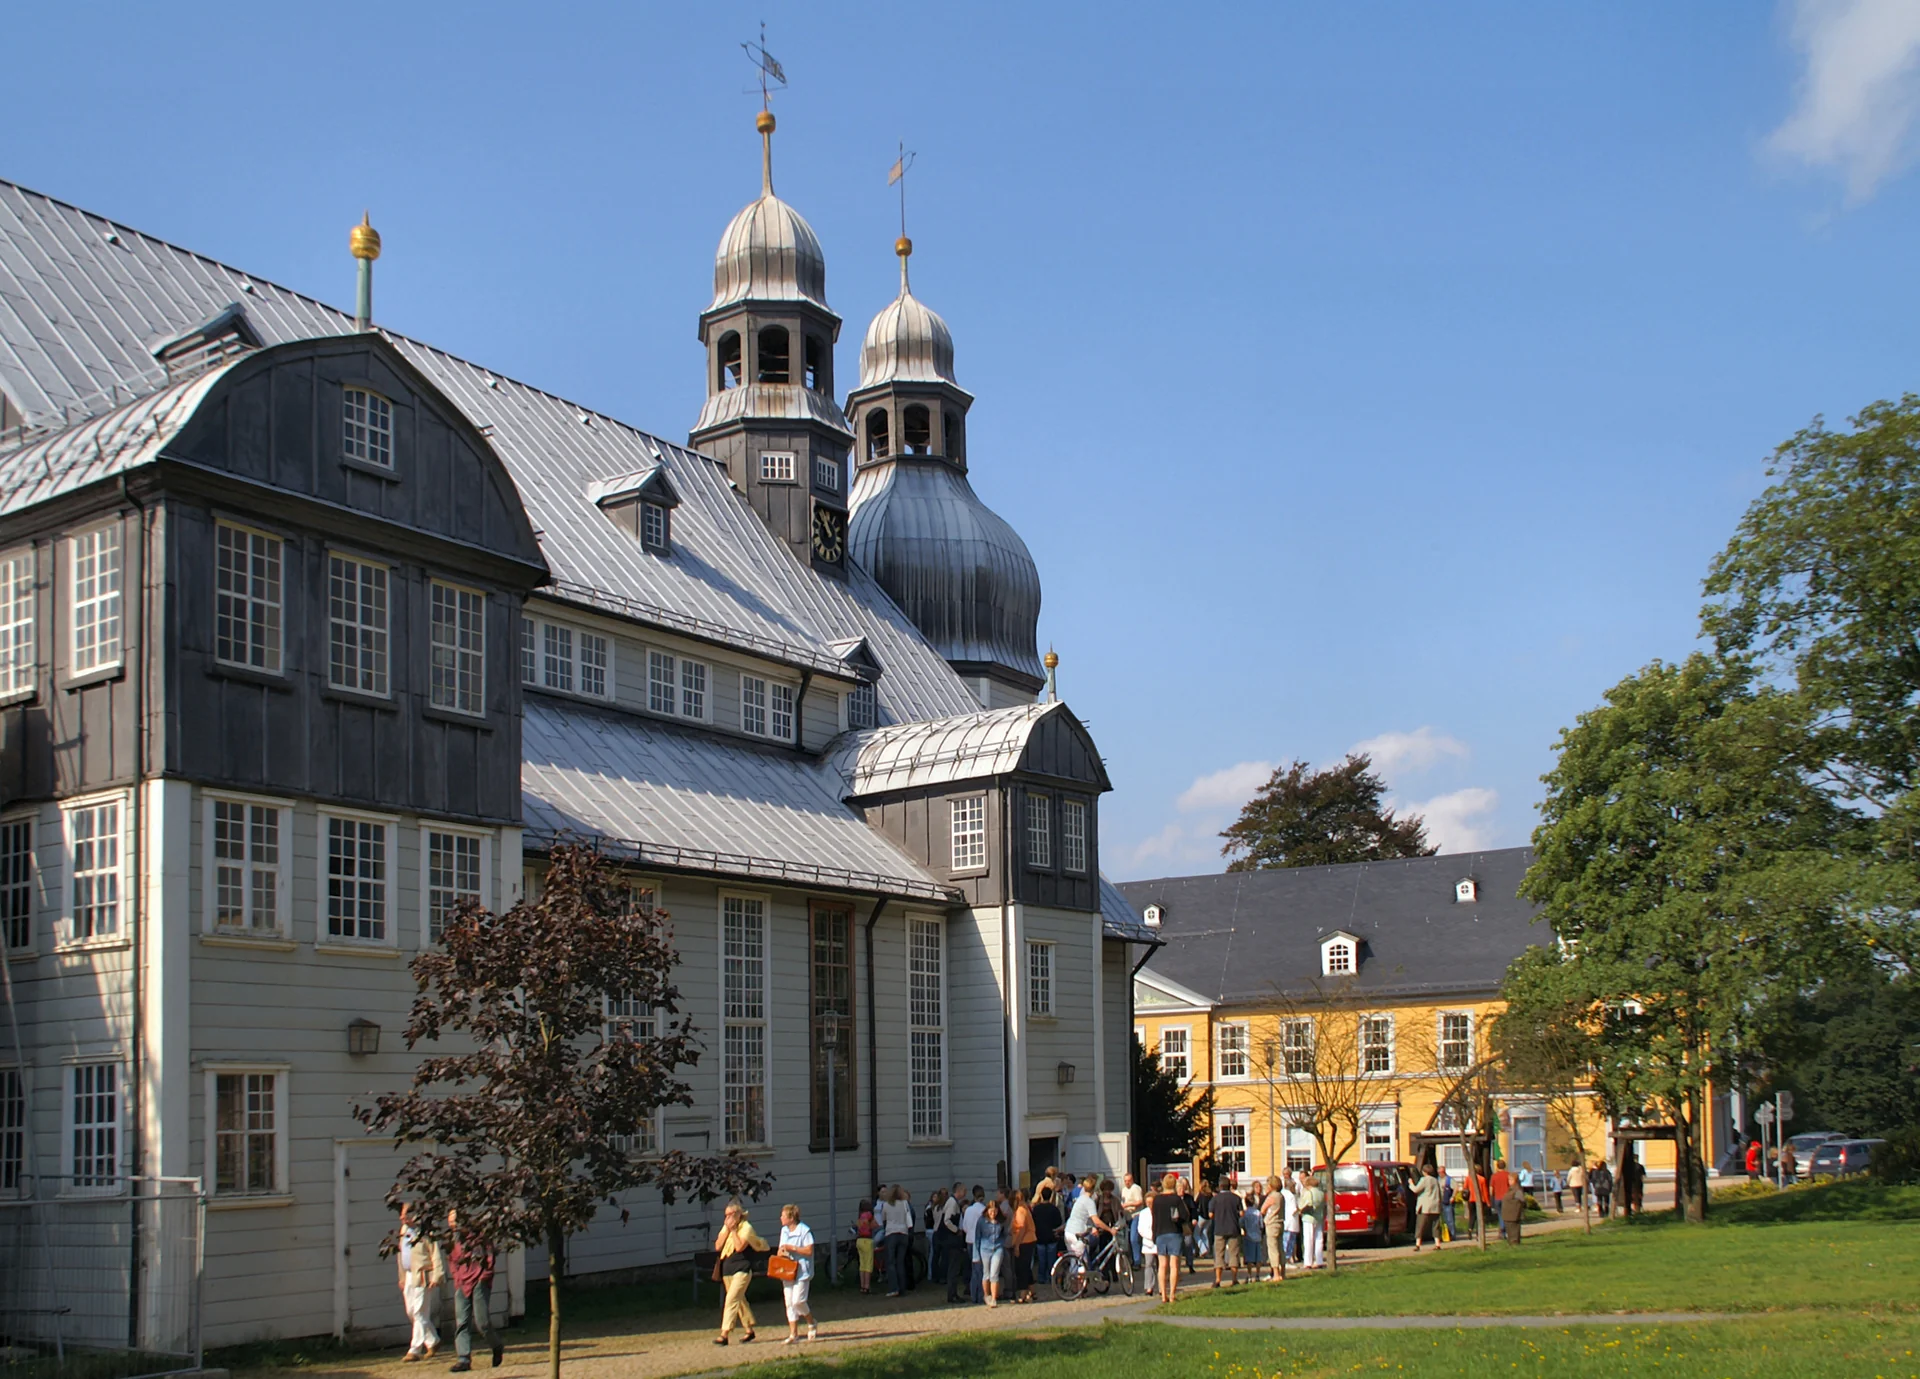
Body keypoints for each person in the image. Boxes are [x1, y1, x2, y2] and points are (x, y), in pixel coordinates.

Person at [445, 1209, 503, 1372]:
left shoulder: (480, 1238)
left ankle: (496, 1345)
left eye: (454, 1221)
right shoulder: (452, 1240)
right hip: (462, 1284)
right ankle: (463, 1359)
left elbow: (489, 1259)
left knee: (482, 1322)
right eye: (450, 1221)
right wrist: (457, 1279)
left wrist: (483, 1278)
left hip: (479, 1283)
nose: (452, 1224)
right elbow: (452, 1261)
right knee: (462, 1322)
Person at [712, 1200, 766, 1346]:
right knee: (739, 1300)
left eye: (730, 1215)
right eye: (725, 1215)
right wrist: (727, 1230)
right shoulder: (726, 1227)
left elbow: (740, 1246)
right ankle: (749, 1330)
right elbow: (718, 1246)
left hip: (742, 1269)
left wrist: (734, 1231)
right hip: (727, 1270)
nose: (727, 1218)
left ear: (737, 1214)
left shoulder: (746, 1228)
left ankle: (724, 1334)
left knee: (731, 1300)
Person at [397, 1203, 444, 1362]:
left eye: (405, 1215)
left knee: (419, 1311)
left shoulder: (426, 1232)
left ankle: (414, 1350)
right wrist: (402, 1277)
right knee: (412, 1311)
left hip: (423, 1274)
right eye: (402, 1215)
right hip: (409, 1275)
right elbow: (401, 1255)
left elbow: (435, 1253)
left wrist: (436, 1275)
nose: (402, 1218)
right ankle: (432, 1340)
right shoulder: (404, 1231)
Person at [776, 1204, 817, 1346]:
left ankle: (811, 1321)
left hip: (802, 1271)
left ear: (791, 1218)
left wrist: (793, 1248)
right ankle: (794, 1334)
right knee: (789, 1303)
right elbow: (781, 1248)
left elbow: (809, 1251)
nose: (781, 1218)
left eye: (783, 1215)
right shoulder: (784, 1231)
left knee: (798, 1301)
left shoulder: (804, 1231)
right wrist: (782, 1252)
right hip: (787, 1270)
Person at [1150, 1172, 1188, 1304]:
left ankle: (1163, 1295)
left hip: (1160, 1233)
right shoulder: (1177, 1199)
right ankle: (1172, 1294)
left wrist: (1154, 1234)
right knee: (1174, 1266)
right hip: (1174, 1232)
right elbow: (1184, 1216)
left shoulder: (1157, 1200)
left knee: (1162, 1265)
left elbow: (1154, 1218)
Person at [1063, 1174, 1114, 1267]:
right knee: (1082, 1264)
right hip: (1078, 1233)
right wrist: (1110, 1230)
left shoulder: (1079, 1199)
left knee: (1074, 1262)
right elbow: (1096, 1221)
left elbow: (1082, 1217)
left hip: (1068, 1232)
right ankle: (1081, 1280)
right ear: (1094, 1188)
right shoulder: (1089, 1202)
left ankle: (1072, 1279)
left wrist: (1091, 1228)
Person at [1209, 1178, 1244, 1287]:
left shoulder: (1215, 1199)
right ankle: (1234, 1279)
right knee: (1234, 1254)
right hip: (1233, 1228)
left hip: (1219, 1229)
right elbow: (1242, 1213)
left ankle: (1218, 1280)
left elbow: (1210, 1214)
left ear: (1220, 1187)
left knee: (1219, 1254)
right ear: (1229, 1186)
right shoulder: (1236, 1198)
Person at [880, 1184, 913, 1298]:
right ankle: (902, 1287)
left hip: (891, 1233)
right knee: (900, 1262)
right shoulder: (904, 1203)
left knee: (890, 1262)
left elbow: (883, 1219)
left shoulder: (886, 1205)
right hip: (903, 1233)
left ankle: (893, 1288)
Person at [1031, 1185, 1064, 1293]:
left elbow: (1033, 1223)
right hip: (1051, 1237)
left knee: (1041, 1260)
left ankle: (1041, 1277)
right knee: (1051, 1260)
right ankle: (1050, 1277)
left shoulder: (1036, 1209)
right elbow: (1059, 1222)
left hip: (1040, 1237)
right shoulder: (1054, 1209)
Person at [977, 1200, 1008, 1308]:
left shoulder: (1001, 1221)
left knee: (994, 1274)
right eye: (991, 1211)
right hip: (985, 1248)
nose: (993, 1214)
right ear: (987, 1211)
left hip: (997, 1248)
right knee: (986, 1273)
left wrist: (1002, 1243)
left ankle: (994, 1298)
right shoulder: (981, 1221)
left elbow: (1005, 1234)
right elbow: (977, 1237)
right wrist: (976, 1254)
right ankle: (986, 1295)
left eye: (995, 1211)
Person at [961, 1185, 988, 1304]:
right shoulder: (983, 1210)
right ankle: (981, 1294)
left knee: (974, 1269)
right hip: (980, 1241)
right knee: (981, 1270)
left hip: (969, 1240)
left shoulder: (968, 1210)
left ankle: (973, 1294)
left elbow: (964, 1227)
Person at [1010, 1189, 1037, 1302]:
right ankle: (1032, 1291)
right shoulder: (1025, 1208)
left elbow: (1021, 1228)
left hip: (1024, 1242)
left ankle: (1022, 1294)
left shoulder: (1020, 1211)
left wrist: (1016, 1245)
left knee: (1021, 1268)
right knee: (1026, 1268)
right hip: (1029, 1240)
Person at [1411, 1163, 1442, 1252]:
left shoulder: (1424, 1180)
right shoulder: (1435, 1180)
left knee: (1420, 1225)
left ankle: (1418, 1244)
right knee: (1435, 1226)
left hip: (1425, 1206)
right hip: (1435, 1206)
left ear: (1424, 1172)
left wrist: (1410, 1184)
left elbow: (1416, 1190)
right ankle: (1437, 1244)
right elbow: (1439, 1193)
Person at [1296, 1172, 1324, 1270]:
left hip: (1308, 1217)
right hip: (1319, 1217)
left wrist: (1300, 1210)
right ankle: (1319, 1260)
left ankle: (1308, 1262)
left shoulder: (1308, 1192)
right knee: (1319, 1239)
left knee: (1308, 1240)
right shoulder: (1321, 1193)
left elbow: (1303, 1204)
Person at [853, 1198, 877, 1294]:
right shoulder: (869, 1215)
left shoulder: (860, 1217)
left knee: (862, 1264)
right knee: (868, 1264)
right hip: (867, 1240)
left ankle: (862, 1286)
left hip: (859, 1240)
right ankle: (867, 1286)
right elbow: (874, 1225)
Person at [1122, 1172, 1146, 1265]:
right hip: (1127, 1216)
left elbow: (1140, 1201)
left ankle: (1137, 1261)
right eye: (1125, 1181)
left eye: (1129, 1181)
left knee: (1134, 1239)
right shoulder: (1124, 1190)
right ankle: (1131, 1260)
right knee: (1128, 1240)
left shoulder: (1136, 1188)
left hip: (1136, 1215)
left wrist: (1128, 1204)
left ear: (1132, 1180)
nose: (1127, 1183)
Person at [1240, 1184, 1264, 1272]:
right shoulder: (1258, 1213)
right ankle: (1257, 1275)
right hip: (1257, 1236)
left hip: (1248, 1237)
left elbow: (1241, 1224)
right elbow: (1261, 1225)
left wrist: (1245, 1230)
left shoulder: (1245, 1213)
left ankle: (1249, 1275)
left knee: (1249, 1259)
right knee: (1258, 1258)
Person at [1499, 1179, 1525, 1246]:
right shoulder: (1510, 1189)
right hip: (1508, 1213)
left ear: (1515, 1180)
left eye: (1510, 1179)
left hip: (1514, 1213)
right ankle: (1511, 1242)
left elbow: (1522, 1200)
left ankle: (1515, 1243)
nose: (1509, 1181)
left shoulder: (1517, 1190)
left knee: (1514, 1229)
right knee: (1509, 1229)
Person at [1438, 1165, 1457, 1242]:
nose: (1440, 1174)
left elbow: (1456, 1187)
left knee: (1450, 1219)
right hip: (1440, 1202)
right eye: (1439, 1172)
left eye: (1441, 1172)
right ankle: (1444, 1235)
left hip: (1448, 1202)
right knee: (1442, 1220)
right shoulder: (1437, 1179)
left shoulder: (1449, 1180)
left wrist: (1453, 1197)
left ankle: (1452, 1235)